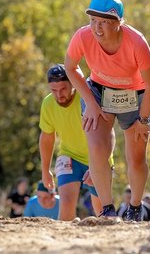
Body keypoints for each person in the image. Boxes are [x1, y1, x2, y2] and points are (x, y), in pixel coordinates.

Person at [64, 0, 150, 221]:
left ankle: (135, 207)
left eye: (105, 22)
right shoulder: (82, 36)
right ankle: (107, 209)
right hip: (98, 91)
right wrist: (90, 103)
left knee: (136, 157)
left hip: (135, 95)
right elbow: (70, 67)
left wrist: (143, 121)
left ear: (118, 23)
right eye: (93, 21)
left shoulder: (136, 42)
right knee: (97, 148)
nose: (98, 28)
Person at [39, 64, 114, 220]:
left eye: (63, 89)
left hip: (97, 157)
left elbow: (109, 134)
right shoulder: (48, 104)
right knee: (65, 204)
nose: (59, 95)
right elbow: (47, 137)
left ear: (73, 83)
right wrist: (45, 170)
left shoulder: (87, 98)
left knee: (102, 213)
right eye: (54, 90)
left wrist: (98, 165)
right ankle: (62, 243)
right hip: (69, 156)